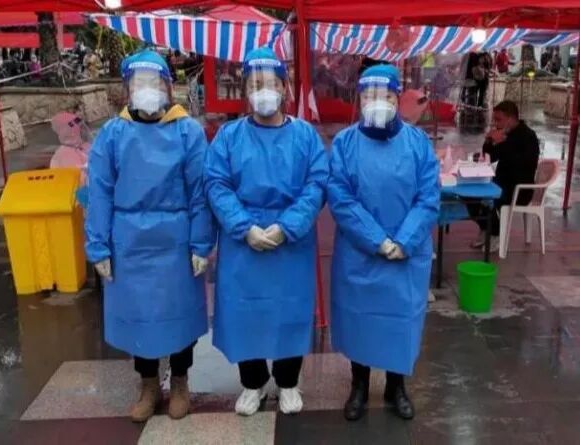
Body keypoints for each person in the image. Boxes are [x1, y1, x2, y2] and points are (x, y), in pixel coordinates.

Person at [85, 50, 215, 422]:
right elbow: (100, 192)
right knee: (138, 312)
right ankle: (148, 384)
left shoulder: (187, 131)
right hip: (129, 241)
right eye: (138, 83)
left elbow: (200, 192)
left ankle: (180, 381)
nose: (146, 89)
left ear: (167, 88)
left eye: (153, 82)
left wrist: (201, 243)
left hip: (175, 239)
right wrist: (98, 245)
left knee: (178, 314)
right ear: (127, 89)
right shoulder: (113, 134)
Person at [204, 47, 328, 417]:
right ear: (245, 90)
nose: (264, 92)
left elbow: (317, 184)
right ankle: (252, 383)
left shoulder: (304, 136)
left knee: (290, 311)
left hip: (291, 241)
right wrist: (244, 228)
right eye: (255, 85)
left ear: (285, 88)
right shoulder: (229, 137)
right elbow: (216, 184)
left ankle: (288, 382)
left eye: (271, 84)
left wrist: (287, 226)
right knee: (245, 313)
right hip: (243, 242)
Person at [328, 64, 439, 422]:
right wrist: (377, 240)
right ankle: (359, 384)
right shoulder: (345, 144)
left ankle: (396, 386)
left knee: (400, 322)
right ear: (360, 99)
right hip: (360, 252)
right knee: (359, 321)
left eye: (385, 95)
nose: (378, 102)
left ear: (397, 97)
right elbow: (340, 197)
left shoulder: (417, 144)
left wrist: (404, 241)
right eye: (370, 95)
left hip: (406, 254)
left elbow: (428, 197)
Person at [468, 101, 540, 248]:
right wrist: (489, 140)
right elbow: (490, 157)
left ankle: (495, 233)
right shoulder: (504, 134)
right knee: (469, 195)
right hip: (499, 183)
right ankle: (486, 228)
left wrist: (501, 143)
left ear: (511, 119)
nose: (496, 123)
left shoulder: (528, 136)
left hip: (518, 188)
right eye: (494, 120)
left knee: (488, 199)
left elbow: (522, 163)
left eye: (499, 120)